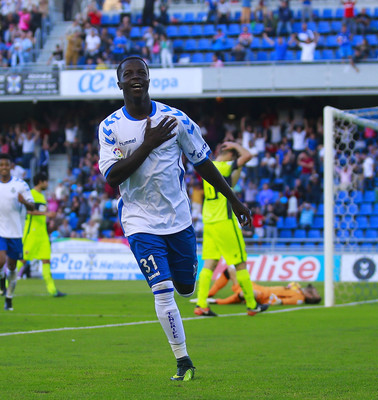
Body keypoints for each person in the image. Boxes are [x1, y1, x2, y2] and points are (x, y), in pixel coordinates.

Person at [97, 56, 252, 382]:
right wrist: (148, 144)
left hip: (179, 220)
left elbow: (203, 162)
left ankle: (186, 293)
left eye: (142, 73)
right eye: (129, 74)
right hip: (139, 220)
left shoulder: (176, 119)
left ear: (150, 79)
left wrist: (235, 200)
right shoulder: (110, 127)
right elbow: (112, 177)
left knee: (185, 287)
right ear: (119, 83)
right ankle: (183, 360)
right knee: (163, 290)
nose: (136, 78)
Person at [194, 141, 267, 317]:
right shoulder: (224, 166)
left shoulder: (209, 168)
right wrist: (235, 144)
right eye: (234, 155)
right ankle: (252, 304)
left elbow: (230, 184)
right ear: (229, 154)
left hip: (209, 221)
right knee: (240, 263)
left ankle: (201, 304)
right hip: (224, 221)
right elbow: (248, 156)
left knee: (210, 263)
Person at [0, 153, 35, 311]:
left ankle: (9, 298)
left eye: (7, 165)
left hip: (15, 232)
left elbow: (33, 206)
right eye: (1, 165)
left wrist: (24, 202)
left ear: (11, 167)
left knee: (12, 267)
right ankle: (0, 277)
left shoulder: (21, 185)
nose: (4, 168)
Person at [17, 172, 66, 297]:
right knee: (22, 260)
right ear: (41, 182)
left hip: (42, 233)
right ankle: (5, 284)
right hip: (32, 233)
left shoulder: (41, 196)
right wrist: (47, 214)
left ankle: (52, 290)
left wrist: (48, 216)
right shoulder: (31, 194)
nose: (47, 184)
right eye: (46, 181)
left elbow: (40, 212)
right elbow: (29, 211)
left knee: (46, 260)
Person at [205, 268, 322, 306]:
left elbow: (280, 301)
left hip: (261, 294)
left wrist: (267, 300)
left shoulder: (299, 299)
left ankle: (218, 301)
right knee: (231, 270)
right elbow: (291, 285)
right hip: (258, 287)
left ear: (309, 296)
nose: (312, 289)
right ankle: (210, 293)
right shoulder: (298, 290)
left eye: (313, 292)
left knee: (248, 293)